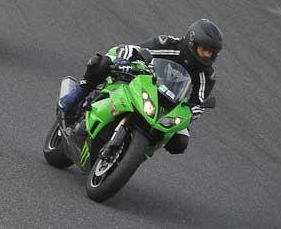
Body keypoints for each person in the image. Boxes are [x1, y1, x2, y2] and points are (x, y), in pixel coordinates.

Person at [60, 18, 223, 155]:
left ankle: (136, 152)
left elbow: (197, 103)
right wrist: (124, 61)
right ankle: (77, 96)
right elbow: (136, 50)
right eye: (204, 50)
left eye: (211, 52)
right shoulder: (168, 44)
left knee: (180, 142)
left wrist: (191, 113)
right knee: (101, 64)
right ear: (192, 42)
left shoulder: (207, 76)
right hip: (142, 81)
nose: (207, 55)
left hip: (168, 104)